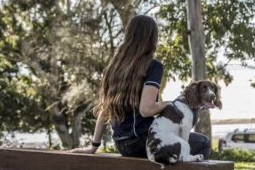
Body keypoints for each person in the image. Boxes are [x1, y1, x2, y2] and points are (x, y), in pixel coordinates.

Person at [71, 15, 211, 159]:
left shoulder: (113, 69)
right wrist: (170, 104)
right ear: (152, 38)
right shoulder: (153, 66)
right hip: (144, 141)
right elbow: (146, 110)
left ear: (128, 36)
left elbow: (105, 110)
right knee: (203, 143)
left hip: (121, 144)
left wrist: (94, 146)